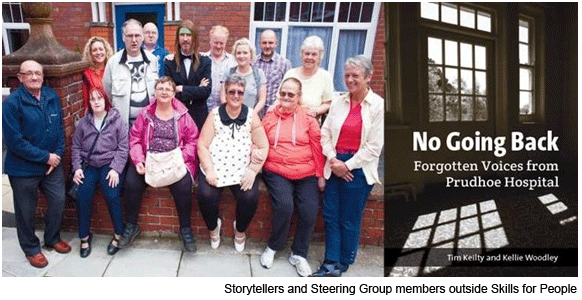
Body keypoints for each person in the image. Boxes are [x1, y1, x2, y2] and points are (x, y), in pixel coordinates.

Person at [311, 55, 383, 277]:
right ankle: (330, 261)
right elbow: (325, 134)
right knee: (331, 215)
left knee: (349, 218)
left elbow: (374, 147)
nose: (350, 80)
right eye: (347, 75)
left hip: (359, 168)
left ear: (368, 77)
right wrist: (333, 160)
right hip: (334, 163)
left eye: (356, 76)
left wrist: (347, 166)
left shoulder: (378, 106)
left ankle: (344, 261)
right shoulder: (339, 101)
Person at [2, 60, 71, 268]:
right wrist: (45, 157)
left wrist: (57, 155)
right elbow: (15, 142)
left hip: (51, 165)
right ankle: (31, 248)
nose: (34, 77)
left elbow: (59, 128)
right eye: (29, 74)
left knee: (59, 201)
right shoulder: (12, 104)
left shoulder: (51, 96)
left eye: (38, 73)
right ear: (20, 77)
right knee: (25, 211)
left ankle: (52, 238)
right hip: (23, 169)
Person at [118, 77, 199, 252]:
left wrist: (181, 158)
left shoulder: (183, 114)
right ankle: (131, 226)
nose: (164, 92)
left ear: (173, 93)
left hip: (174, 160)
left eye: (168, 89)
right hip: (150, 159)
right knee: (132, 182)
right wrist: (138, 160)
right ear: (155, 92)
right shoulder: (145, 113)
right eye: (160, 88)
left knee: (184, 185)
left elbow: (193, 139)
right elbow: (135, 139)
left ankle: (185, 229)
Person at [259, 77, 326, 277]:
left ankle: (299, 254)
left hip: (306, 172)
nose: (286, 97)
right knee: (284, 206)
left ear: (299, 97)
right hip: (277, 170)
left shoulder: (308, 118)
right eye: (283, 94)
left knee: (309, 209)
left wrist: (320, 175)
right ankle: (273, 247)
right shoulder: (270, 117)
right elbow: (258, 139)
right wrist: (255, 152)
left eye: (291, 94)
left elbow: (317, 146)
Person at [197, 73, 268, 252]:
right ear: (226, 93)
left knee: (250, 197)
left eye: (240, 92)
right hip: (215, 167)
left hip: (241, 168)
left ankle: (240, 230)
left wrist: (252, 170)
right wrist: (209, 169)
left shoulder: (251, 115)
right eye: (232, 92)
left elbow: (263, 145)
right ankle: (214, 228)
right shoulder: (214, 114)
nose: (236, 96)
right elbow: (202, 145)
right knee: (205, 195)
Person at [71, 87, 128, 257]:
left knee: (111, 194)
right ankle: (84, 237)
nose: (96, 102)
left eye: (99, 99)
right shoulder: (83, 122)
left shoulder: (117, 121)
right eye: (93, 99)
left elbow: (123, 147)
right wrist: (77, 168)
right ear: (88, 102)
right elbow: (75, 147)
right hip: (89, 164)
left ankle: (119, 234)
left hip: (109, 164)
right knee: (82, 194)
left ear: (106, 101)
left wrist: (116, 169)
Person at [103, 19, 159, 128]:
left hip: (148, 123)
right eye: (129, 36)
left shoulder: (152, 60)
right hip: (123, 125)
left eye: (137, 35)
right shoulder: (113, 62)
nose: (134, 40)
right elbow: (107, 91)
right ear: (124, 38)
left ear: (142, 37)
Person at [165, 20, 211, 130]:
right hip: (177, 115)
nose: (185, 39)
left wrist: (180, 88)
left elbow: (206, 91)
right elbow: (169, 91)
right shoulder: (169, 62)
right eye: (182, 35)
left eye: (189, 35)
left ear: (194, 38)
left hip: (199, 117)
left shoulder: (205, 61)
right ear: (178, 38)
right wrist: (196, 89)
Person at [282, 35, 334, 119]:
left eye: (314, 54)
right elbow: (279, 98)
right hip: (287, 121)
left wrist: (317, 110)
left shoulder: (325, 76)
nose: (309, 57)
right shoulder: (290, 74)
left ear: (320, 56)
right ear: (301, 54)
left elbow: (327, 103)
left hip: (311, 122)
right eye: (307, 53)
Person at [220, 38, 267, 116]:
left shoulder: (259, 74)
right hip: (231, 117)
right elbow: (223, 98)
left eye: (245, 53)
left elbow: (262, 100)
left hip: (252, 118)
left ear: (251, 55)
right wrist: (232, 114)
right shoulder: (228, 73)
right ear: (235, 55)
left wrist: (251, 115)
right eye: (238, 53)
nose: (242, 56)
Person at [254, 29, 292, 117]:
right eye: (264, 43)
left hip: (276, 113)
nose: (267, 46)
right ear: (259, 43)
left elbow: (288, 90)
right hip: (255, 112)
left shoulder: (284, 64)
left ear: (276, 43)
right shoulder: (252, 63)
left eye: (270, 43)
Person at [201, 25, 237, 111]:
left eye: (221, 43)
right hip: (204, 108)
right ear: (210, 41)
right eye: (216, 42)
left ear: (226, 42)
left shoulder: (233, 61)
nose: (218, 46)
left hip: (225, 109)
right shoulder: (202, 59)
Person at [81, 36, 114, 111]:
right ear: (90, 54)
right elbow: (85, 101)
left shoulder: (113, 69)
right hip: (97, 114)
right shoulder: (87, 73)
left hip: (114, 113)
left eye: (101, 49)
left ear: (106, 51)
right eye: (94, 50)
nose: (98, 52)